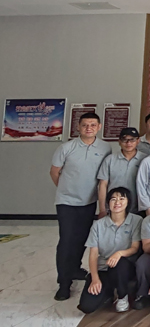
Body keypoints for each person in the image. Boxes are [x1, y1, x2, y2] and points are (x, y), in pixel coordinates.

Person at [50, 112, 112, 301]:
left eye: (93, 125)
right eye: (85, 125)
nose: (88, 128)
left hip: (89, 202)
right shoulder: (66, 147)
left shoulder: (105, 148)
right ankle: (64, 283)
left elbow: (104, 176)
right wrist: (66, 190)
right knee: (67, 240)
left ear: (99, 127)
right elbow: (54, 172)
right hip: (67, 202)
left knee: (82, 238)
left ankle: (75, 268)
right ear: (78, 127)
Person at [78, 187, 141, 314]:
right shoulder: (98, 225)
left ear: (128, 202)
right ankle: (109, 292)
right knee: (87, 306)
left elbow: (135, 248)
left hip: (124, 267)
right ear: (108, 203)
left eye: (121, 199)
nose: (117, 202)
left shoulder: (136, 220)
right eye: (113, 199)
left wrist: (119, 253)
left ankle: (122, 296)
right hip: (104, 268)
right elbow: (93, 255)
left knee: (119, 263)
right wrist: (95, 279)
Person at [97, 127, 145, 217]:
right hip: (114, 208)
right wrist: (102, 209)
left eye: (132, 140)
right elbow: (103, 185)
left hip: (138, 209)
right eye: (124, 140)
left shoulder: (145, 160)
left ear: (138, 141)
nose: (128, 143)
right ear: (119, 141)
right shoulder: (110, 160)